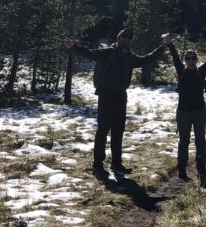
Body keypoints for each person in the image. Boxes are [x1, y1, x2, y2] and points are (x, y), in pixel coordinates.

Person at [63, 28, 165, 178]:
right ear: (119, 38)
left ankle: (116, 164)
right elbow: (91, 54)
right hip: (106, 94)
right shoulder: (108, 52)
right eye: (124, 37)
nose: (127, 39)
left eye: (129, 38)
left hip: (121, 96)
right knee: (103, 130)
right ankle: (97, 165)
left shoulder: (130, 57)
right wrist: (75, 46)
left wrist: (162, 48)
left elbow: (146, 59)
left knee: (118, 131)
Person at [164, 34, 206, 181]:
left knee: (200, 140)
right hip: (183, 112)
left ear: (196, 60)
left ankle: (201, 165)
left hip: (199, 112)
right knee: (184, 140)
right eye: (188, 58)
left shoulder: (201, 72)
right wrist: (169, 43)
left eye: (193, 58)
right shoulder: (181, 70)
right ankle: (181, 167)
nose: (190, 61)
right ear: (185, 61)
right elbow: (175, 55)